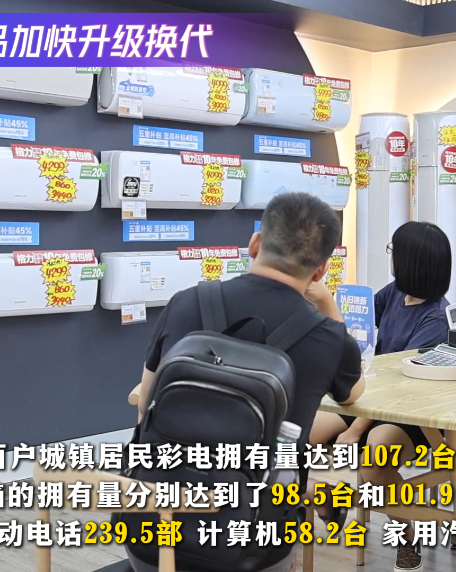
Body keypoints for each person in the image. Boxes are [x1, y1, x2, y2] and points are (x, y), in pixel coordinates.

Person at [131, 192, 366, 572]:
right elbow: (353, 394)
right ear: (321, 270)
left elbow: (145, 405)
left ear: (255, 244)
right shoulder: (329, 338)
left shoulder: (186, 302)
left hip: (153, 534)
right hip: (254, 546)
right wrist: (328, 306)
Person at [309, 220, 452, 572]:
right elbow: (359, 320)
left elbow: (402, 385)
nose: (391, 257)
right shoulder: (395, 293)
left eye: (394, 251)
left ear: (411, 261)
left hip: (411, 411)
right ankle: (327, 499)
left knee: (376, 456)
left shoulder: (435, 319)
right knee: (302, 432)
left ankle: (407, 534)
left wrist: (355, 429)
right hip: (370, 397)